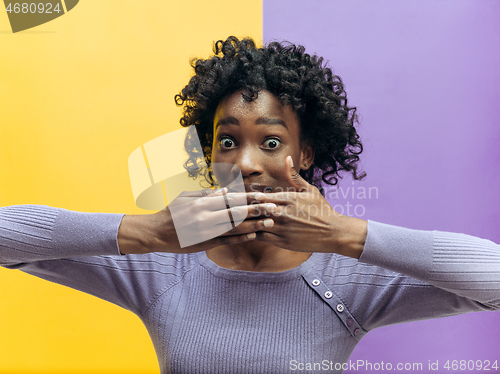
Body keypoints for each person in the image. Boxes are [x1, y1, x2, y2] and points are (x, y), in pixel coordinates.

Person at [1, 36, 499, 374]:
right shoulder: (162, 269)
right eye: (226, 141)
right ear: (209, 152)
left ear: (304, 153)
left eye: (271, 142)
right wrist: (151, 232)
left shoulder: (348, 279)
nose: (244, 163)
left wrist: (341, 235)